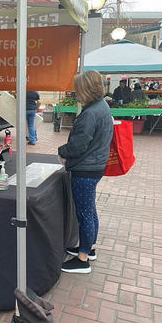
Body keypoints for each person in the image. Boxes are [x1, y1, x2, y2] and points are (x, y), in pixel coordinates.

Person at [57, 70, 113, 274]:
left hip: (85, 169)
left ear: (86, 89)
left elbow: (78, 145)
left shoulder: (90, 113)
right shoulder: (102, 106)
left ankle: (82, 260)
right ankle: (89, 249)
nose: (75, 92)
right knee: (90, 210)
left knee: (84, 213)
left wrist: (62, 151)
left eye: (77, 88)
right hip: (95, 166)